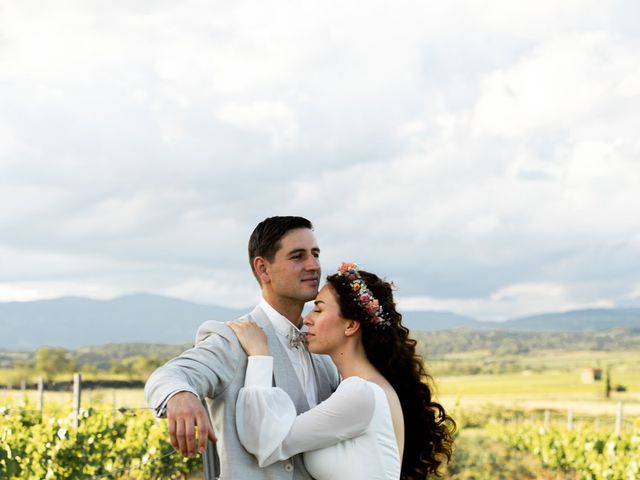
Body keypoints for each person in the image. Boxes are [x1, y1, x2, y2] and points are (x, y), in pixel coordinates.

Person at [145, 216, 340, 480]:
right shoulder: (233, 338)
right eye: (298, 256)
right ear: (263, 269)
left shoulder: (323, 349)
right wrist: (179, 394)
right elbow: (169, 375)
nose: (313, 265)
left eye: (315, 254)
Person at [229, 262, 456, 480]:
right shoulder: (365, 387)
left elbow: (267, 442)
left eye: (318, 310)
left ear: (350, 326)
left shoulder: (361, 393)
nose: (307, 319)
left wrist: (259, 355)